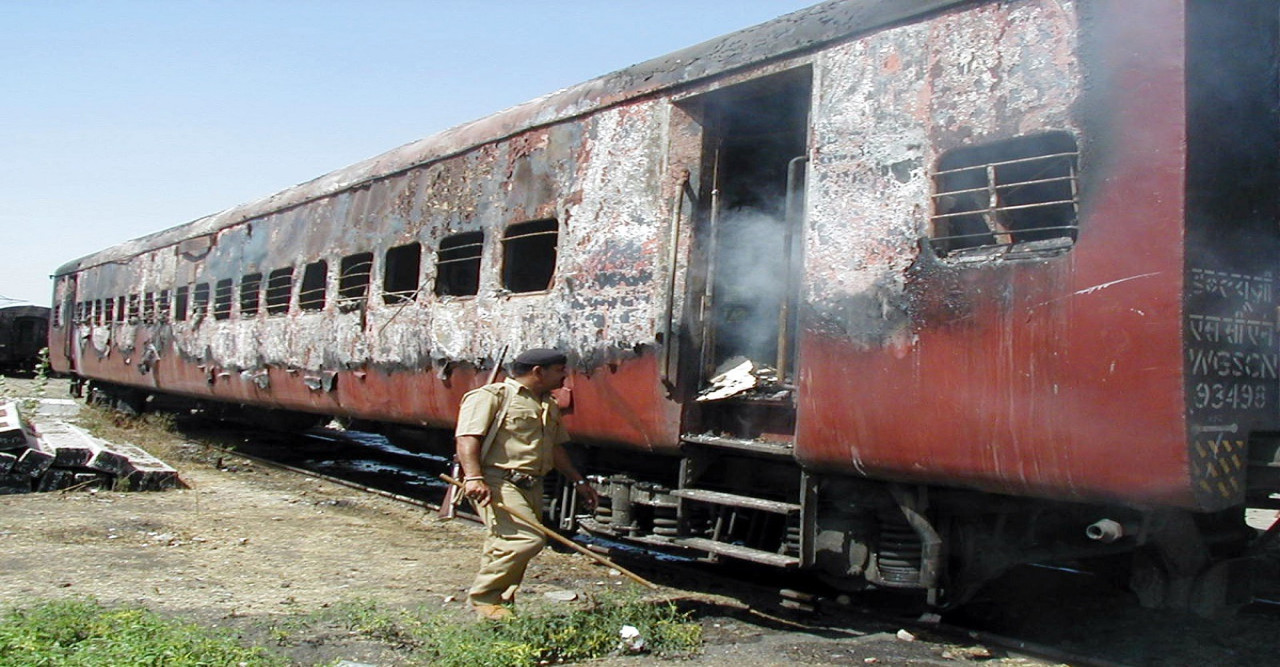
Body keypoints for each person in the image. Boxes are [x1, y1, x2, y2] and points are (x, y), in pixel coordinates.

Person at [455, 347, 600, 620]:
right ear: (538, 372)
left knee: (502, 542)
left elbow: (556, 448)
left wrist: (579, 481)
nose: (564, 378)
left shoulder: (548, 403)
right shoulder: (492, 397)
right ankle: (483, 599)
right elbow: (467, 438)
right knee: (527, 539)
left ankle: (501, 605)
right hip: (497, 482)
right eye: (559, 371)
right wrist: (474, 477)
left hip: (531, 484)